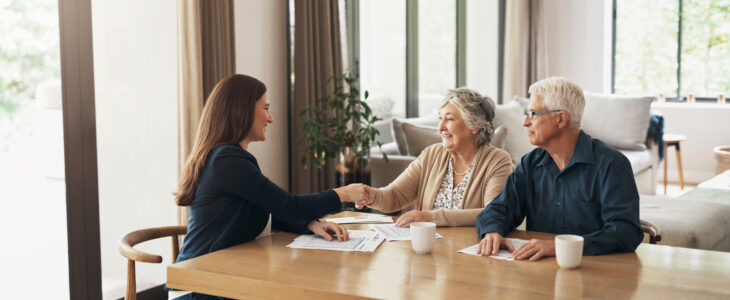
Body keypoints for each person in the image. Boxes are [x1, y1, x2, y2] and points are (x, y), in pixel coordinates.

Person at [174, 74, 368, 269]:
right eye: (266, 108)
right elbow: (291, 207)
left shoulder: (225, 157)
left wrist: (309, 225)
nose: (271, 118)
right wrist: (344, 193)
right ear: (241, 111)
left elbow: (267, 210)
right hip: (197, 286)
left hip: (218, 275)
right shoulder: (227, 161)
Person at [475, 77, 643, 260]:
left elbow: (626, 233)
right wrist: (492, 231)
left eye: (532, 114)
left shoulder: (612, 165)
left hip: (595, 271)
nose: (525, 122)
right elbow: (500, 209)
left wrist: (559, 247)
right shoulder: (530, 163)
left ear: (561, 119)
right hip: (539, 271)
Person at [357, 88, 513, 227]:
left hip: (470, 250)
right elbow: (395, 196)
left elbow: (493, 212)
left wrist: (428, 216)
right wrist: (372, 196)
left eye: (450, 119)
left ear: (474, 126)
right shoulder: (431, 154)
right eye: (440, 118)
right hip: (429, 247)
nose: (440, 127)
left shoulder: (498, 161)